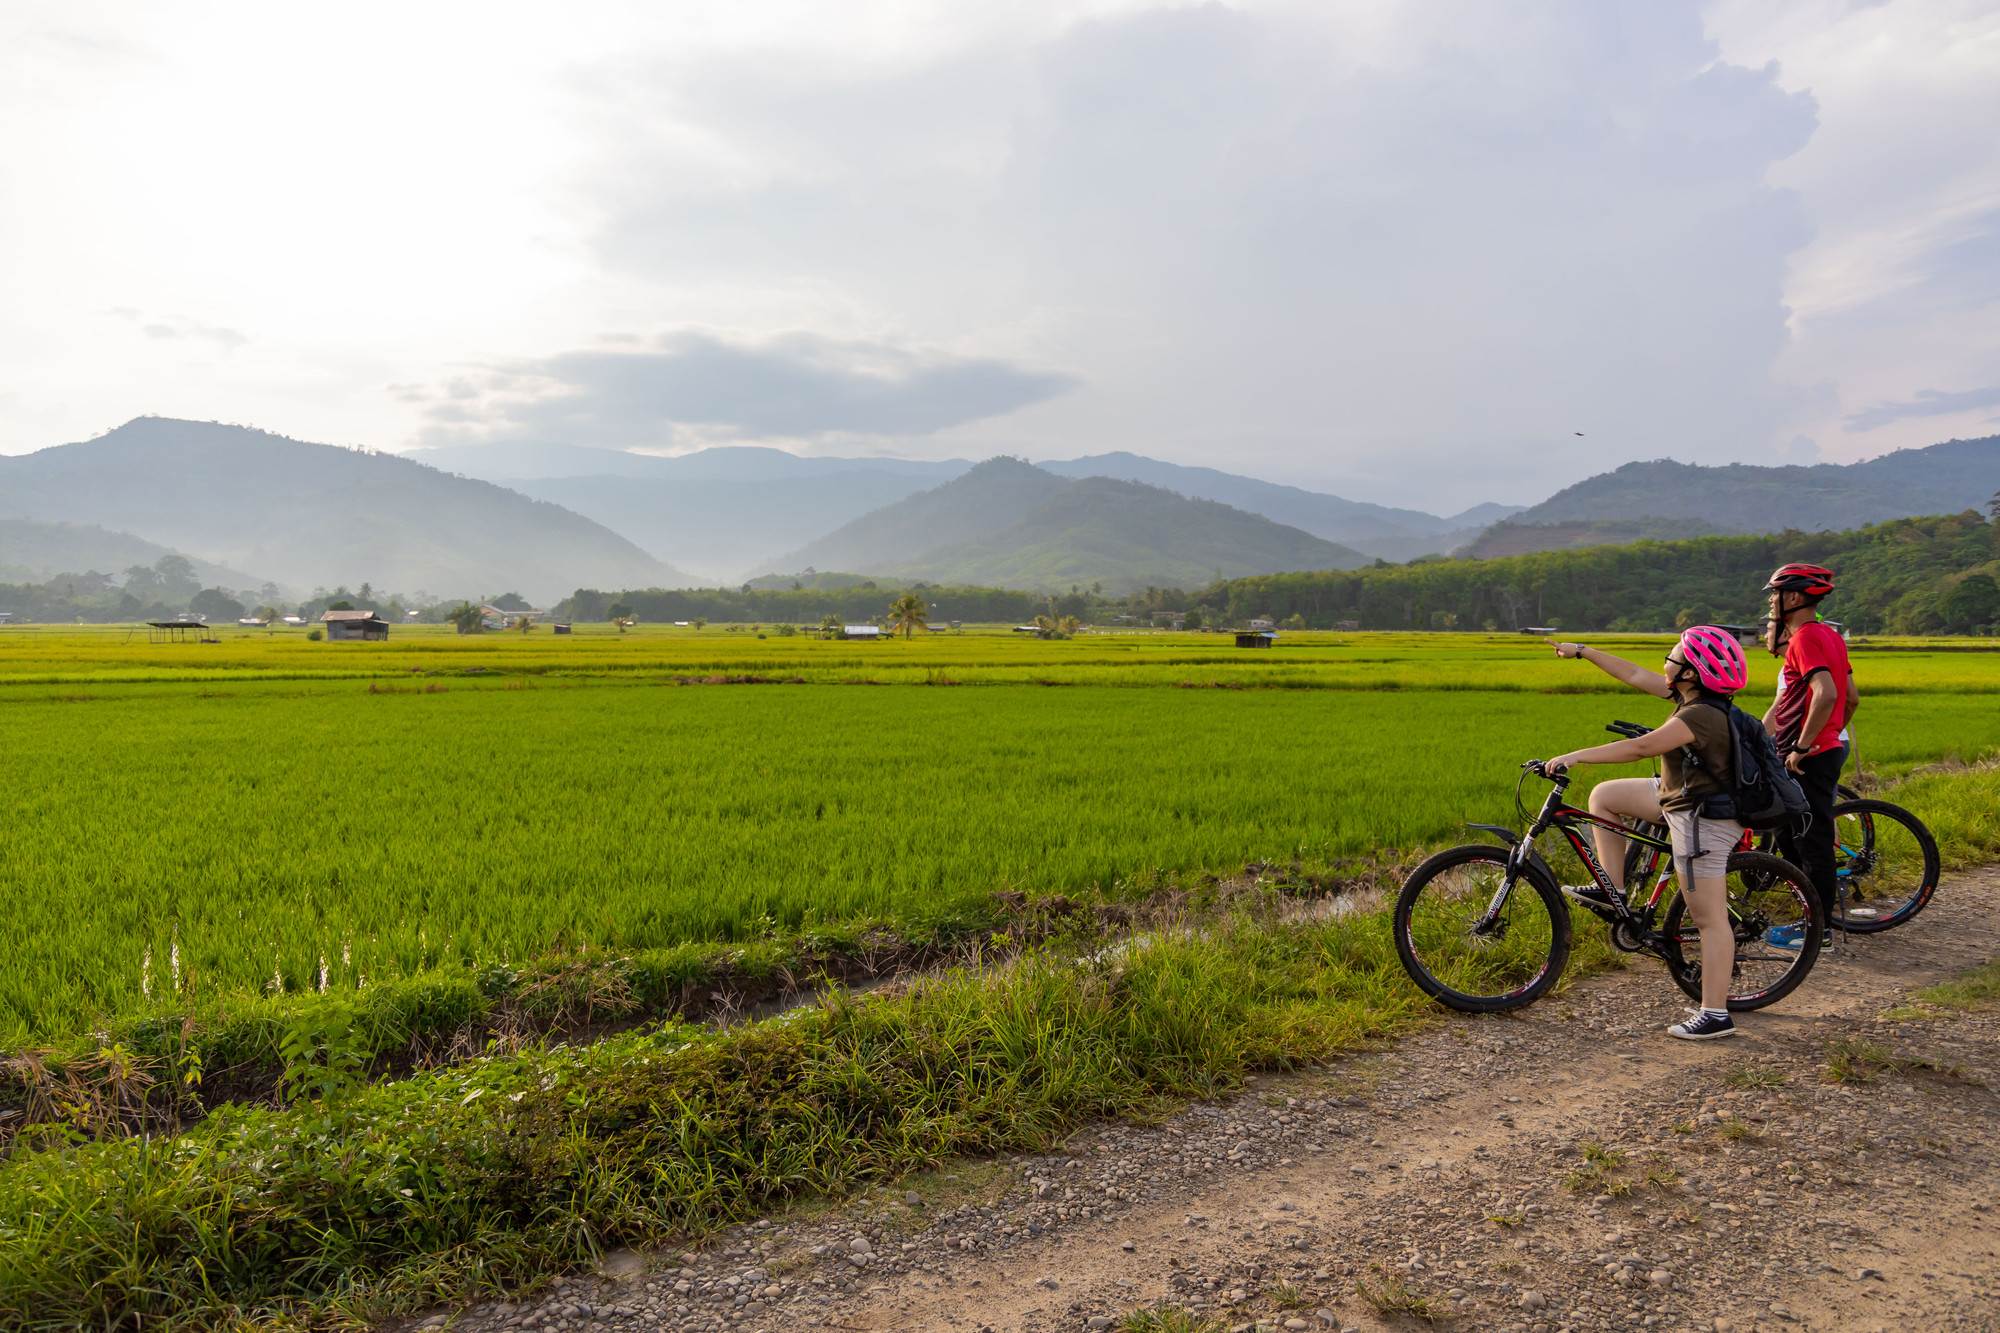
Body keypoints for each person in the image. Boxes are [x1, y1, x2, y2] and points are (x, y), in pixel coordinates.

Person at [1542, 626, 1751, 1039]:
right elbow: (1635, 675)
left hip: (1702, 816)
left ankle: (1715, 1014)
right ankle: (1613, 890)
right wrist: (1582, 650)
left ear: (1691, 672)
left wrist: (1575, 756)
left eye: (1674, 657)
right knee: (1605, 797)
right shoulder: (1689, 695)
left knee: (1708, 918)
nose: (1666, 663)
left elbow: (1642, 748)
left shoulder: (1700, 716)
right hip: (1677, 795)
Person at [1760, 563, 1852, 949]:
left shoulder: (1804, 639)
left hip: (1807, 755)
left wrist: (1803, 744)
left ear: (1793, 598)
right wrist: (1828, 734)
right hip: (1821, 751)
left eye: (1774, 594)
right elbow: (1852, 698)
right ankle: (1810, 920)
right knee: (1792, 833)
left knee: (1811, 842)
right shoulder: (1830, 636)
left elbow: (1826, 692)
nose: (1770, 601)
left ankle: (1817, 931)